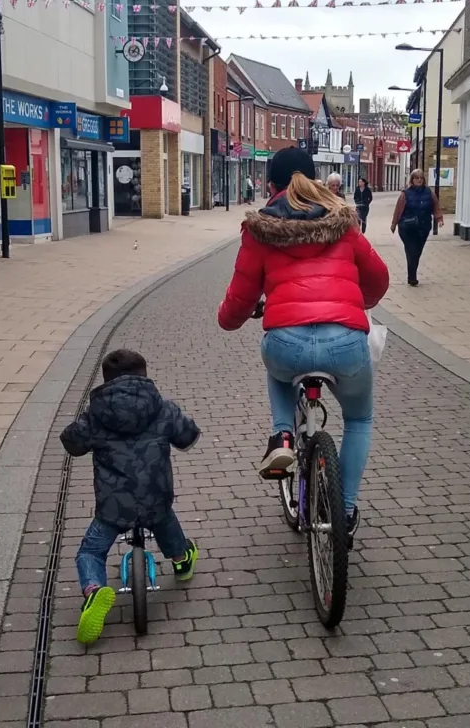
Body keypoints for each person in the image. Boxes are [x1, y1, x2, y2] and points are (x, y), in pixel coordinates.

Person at [217, 147, 390, 535]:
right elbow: (378, 275)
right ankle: (343, 512)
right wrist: (358, 302)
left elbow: (241, 296)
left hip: (287, 341)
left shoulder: (260, 229)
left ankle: (281, 434)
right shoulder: (345, 221)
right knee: (359, 418)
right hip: (346, 341)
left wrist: (229, 320)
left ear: (272, 185)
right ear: (314, 179)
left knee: (277, 368)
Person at [61, 348, 201, 644]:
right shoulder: (162, 407)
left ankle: (93, 591)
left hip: (113, 505)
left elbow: (71, 443)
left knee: (90, 551)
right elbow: (188, 436)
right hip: (157, 498)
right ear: (144, 376)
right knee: (165, 520)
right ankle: (181, 559)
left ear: (106, 380)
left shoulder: (97, 415)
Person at [391, 169, 443, 287]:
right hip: (407, 227)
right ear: (412, 180)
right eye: (416, 178)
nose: (419, 180)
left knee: (417, 252)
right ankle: (412, 277)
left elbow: (435, 205)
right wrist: (394, 224)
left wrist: (439, 219)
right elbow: (398, 210)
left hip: (423, 227)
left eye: (421, 178)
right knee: (411, 250)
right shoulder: (405, 193)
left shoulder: (429, 192)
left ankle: (412, 274)